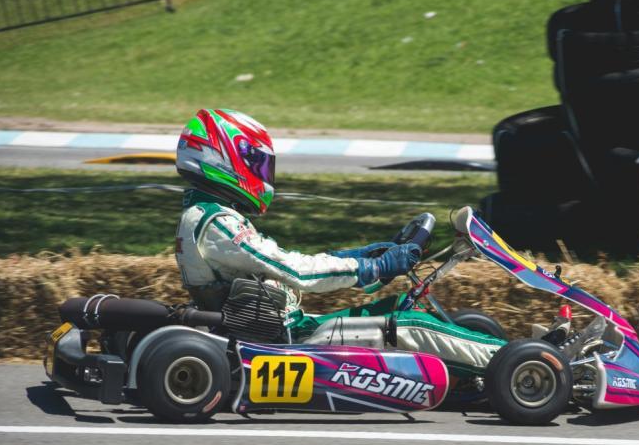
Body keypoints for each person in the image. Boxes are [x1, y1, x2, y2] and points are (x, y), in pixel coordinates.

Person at [174, 108, 505, 376]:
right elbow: (297, 272)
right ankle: (515, 363)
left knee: (396, 308)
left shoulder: (210, 216)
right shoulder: (216, 222)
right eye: (256, 163)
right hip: (287, 340)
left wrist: (361, 256)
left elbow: (281, 263)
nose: (262, 173)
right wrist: (372, 266)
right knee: (409, 324)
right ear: (223, 158)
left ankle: (479, 367)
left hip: (281, 329)